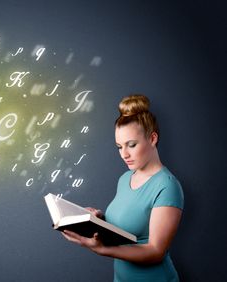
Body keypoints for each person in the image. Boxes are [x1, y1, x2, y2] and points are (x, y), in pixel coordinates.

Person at [61, 94, 184, 282]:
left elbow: (156, 251)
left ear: (152, 138)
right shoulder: (126, 178)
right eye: (119, 146)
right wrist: (99, 219)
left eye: (131, 145)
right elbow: (127, 228)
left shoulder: (167, 186)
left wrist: (103, 249)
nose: (124, 154)